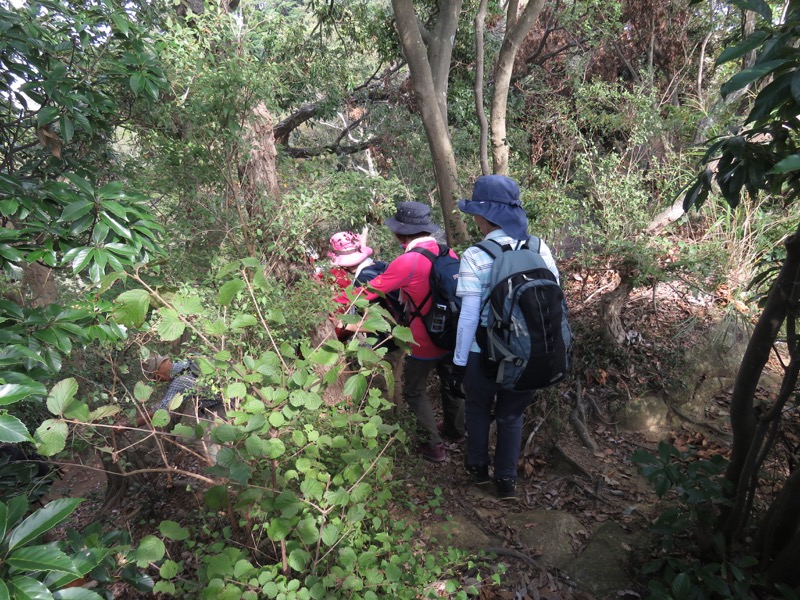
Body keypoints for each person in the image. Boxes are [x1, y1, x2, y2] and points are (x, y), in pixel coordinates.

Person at [452, 175, 561, 500]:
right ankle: (506, 481)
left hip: (481, 352)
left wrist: (459, 362)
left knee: (477, 409)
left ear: (485, 216)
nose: (474, 218)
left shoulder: (475, 254)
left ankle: (477, 469)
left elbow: (469, 314)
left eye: (475, 212)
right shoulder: (539, 247)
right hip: (530, 351)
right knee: (512, 415)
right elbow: (555, 297)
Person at [365, 202, 466, 462]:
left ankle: (433, 446)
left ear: (401, 234)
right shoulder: (448, 253)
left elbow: (367, 292)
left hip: (423, 339)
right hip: (451, 333)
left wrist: (331, 305)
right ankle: (456, 431)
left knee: (413, 390)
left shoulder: (407, 261)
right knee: (450, 382)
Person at [141, 354, 220, 416]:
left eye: (156, 379)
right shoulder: (185, 362)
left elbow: (162, 410)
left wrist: (131, 425)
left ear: (158, 375)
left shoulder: (178, 382)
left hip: (220, 405)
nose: (159, 381)